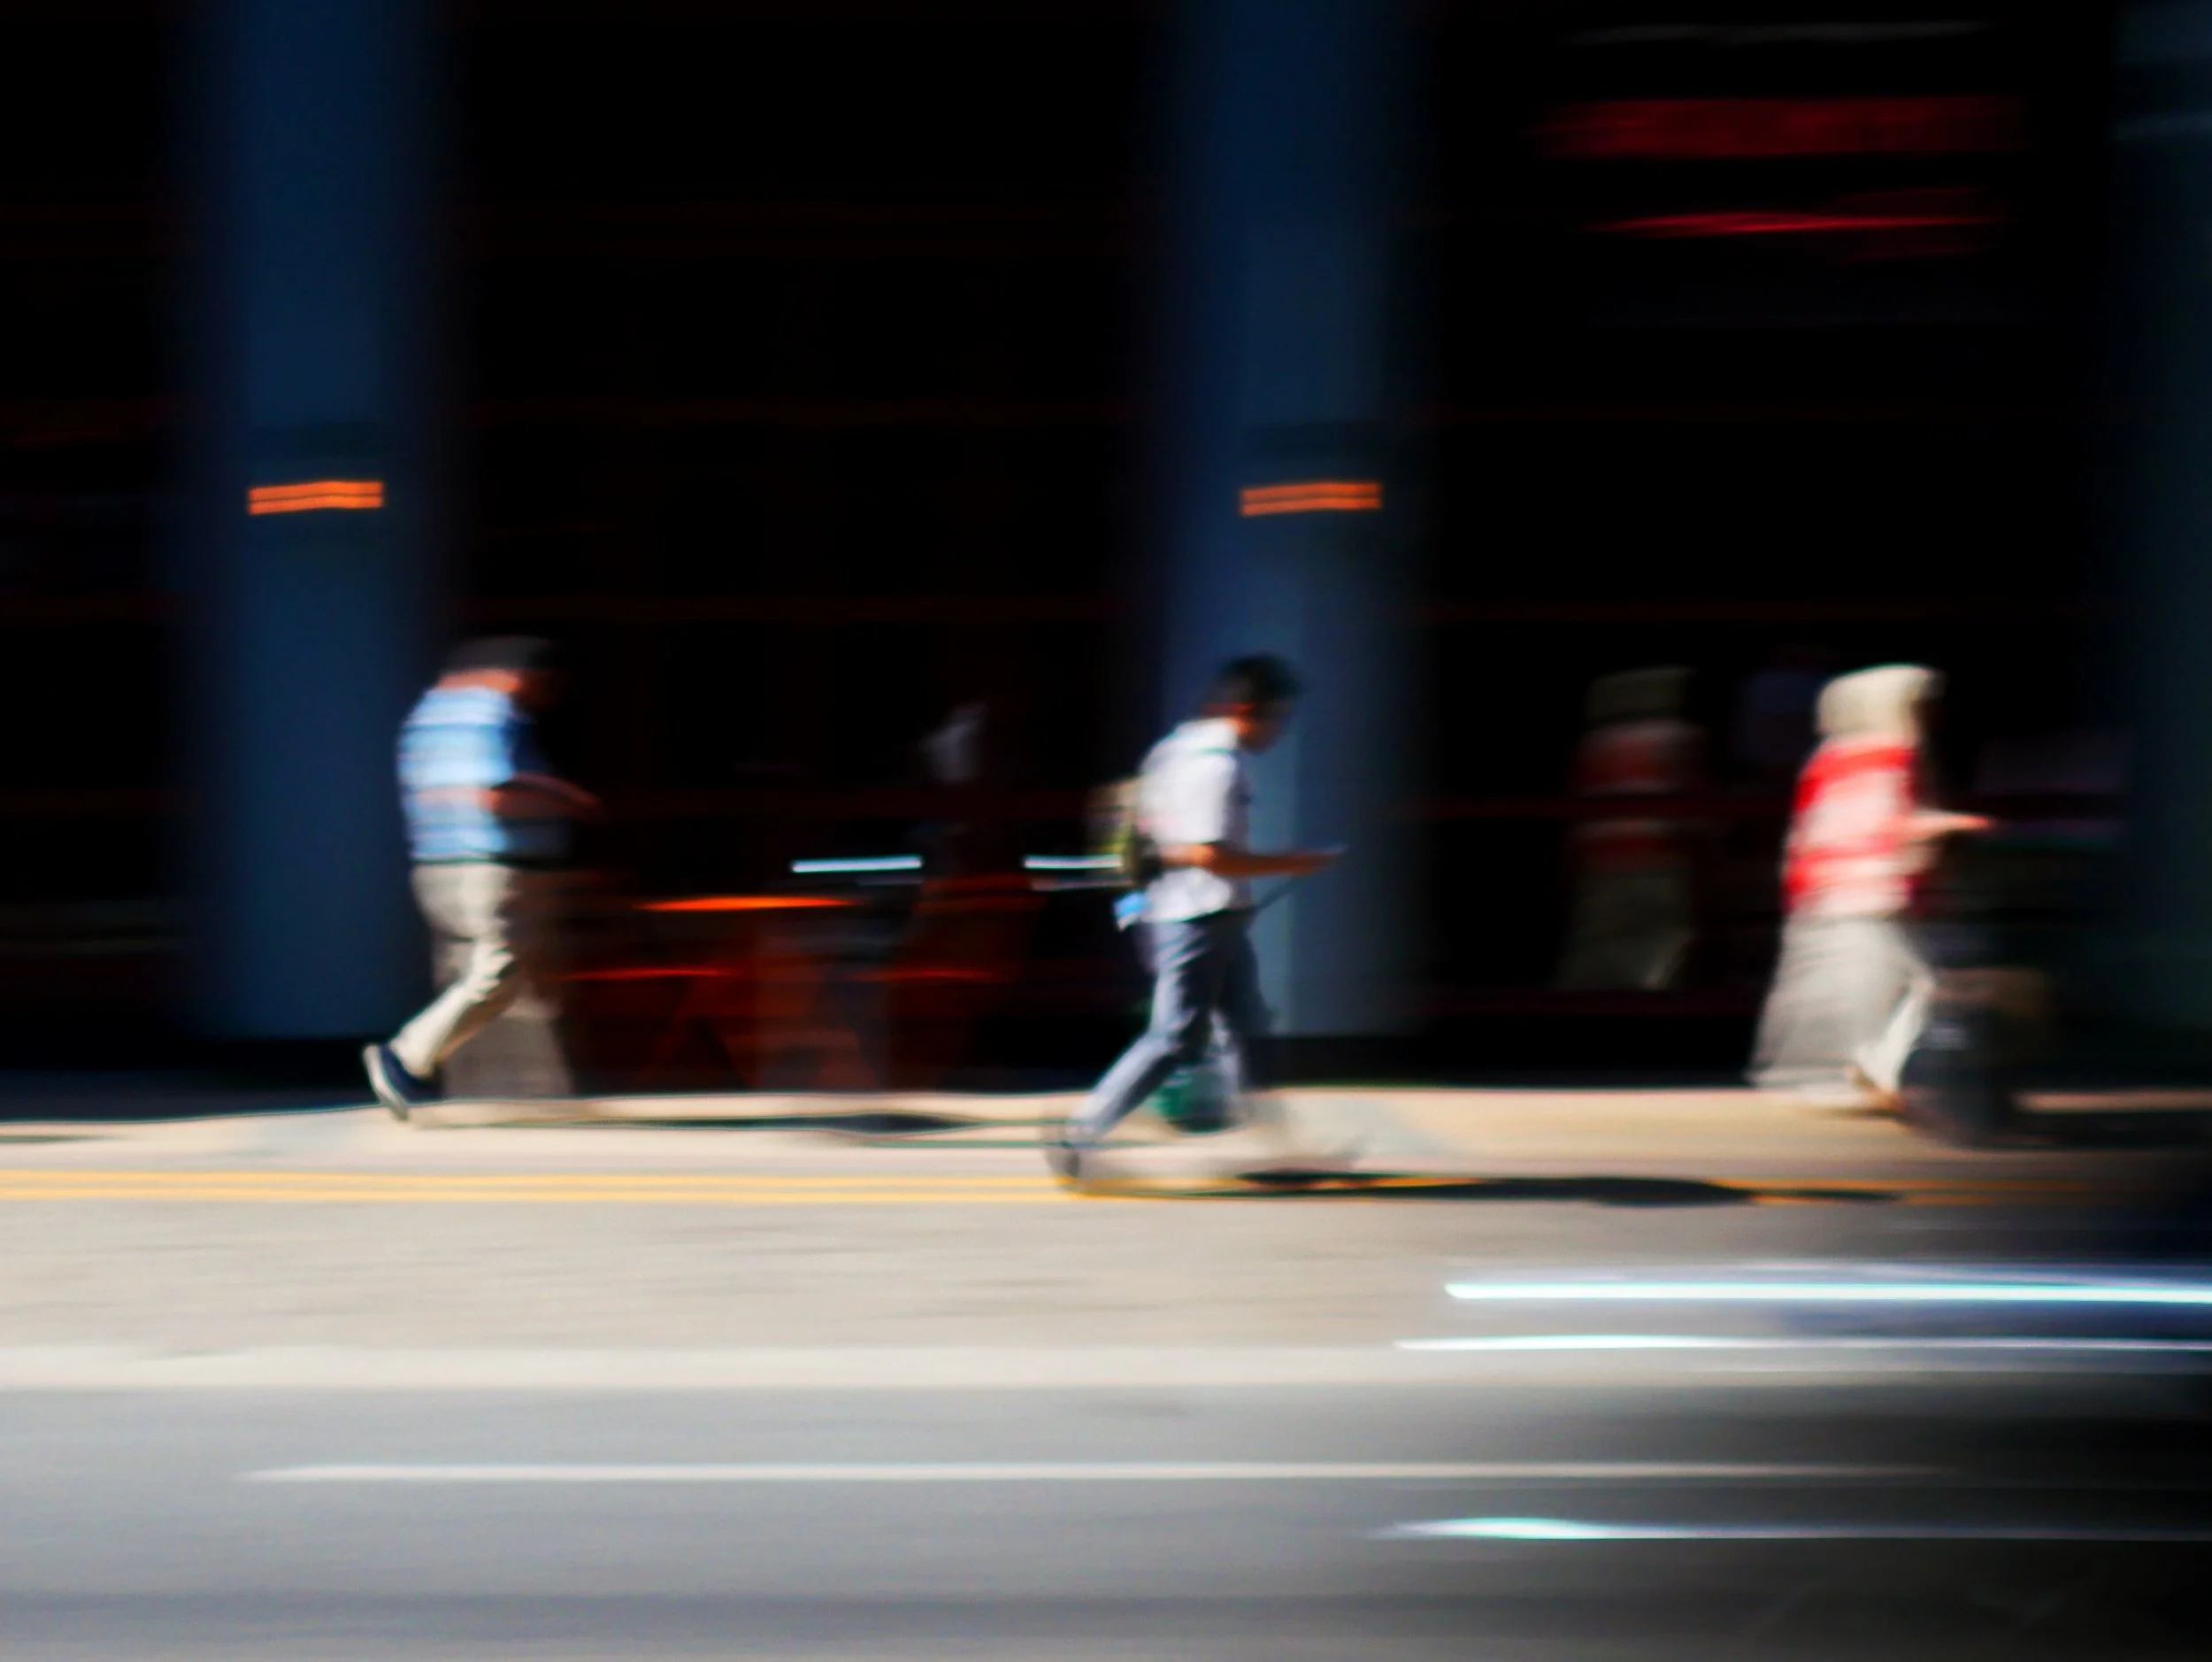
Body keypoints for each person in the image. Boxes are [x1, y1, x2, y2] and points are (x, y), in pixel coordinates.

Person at [1046, 654, 1338, 1182]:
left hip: (1203, 914)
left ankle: (1277, 1148)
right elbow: (1208, 854)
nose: (1279, 730)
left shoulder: (1176, 748)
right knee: (1174, 1037)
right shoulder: (1216, 766)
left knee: (1243, 1030)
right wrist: (1294, 862)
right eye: (1276, 717)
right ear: (1247, 710)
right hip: (1196, 918)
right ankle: (1079, 1135)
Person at [362, 637, 599, 1118]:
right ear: (519, 675)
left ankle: (528, 1088)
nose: (542, 695)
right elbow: (493, 793)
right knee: (496, 975)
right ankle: (405, 1058)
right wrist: (565, 799)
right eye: (542, 683)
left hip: (441, 865)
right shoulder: (490, 713)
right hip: (490, 867)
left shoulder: (428, 715)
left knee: (505, 980)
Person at [1748, 664, 1989, 1107]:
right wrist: (1951, 826)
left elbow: (1809, 831)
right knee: (1917, 984)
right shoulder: (1895, 753)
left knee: (1860, 988)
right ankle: (1873, 1069)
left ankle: (1859, 1070)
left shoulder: (1828, 758)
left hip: (1826, 893)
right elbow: (1890, 823)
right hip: (1875, 892)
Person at [1555, 665, 1703, 990]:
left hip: (1602, 866)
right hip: (1657, 864)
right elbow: (1692, 805)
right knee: (1661, 950)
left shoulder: (1596, 742)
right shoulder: (1675, 736)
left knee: (1599, 954)